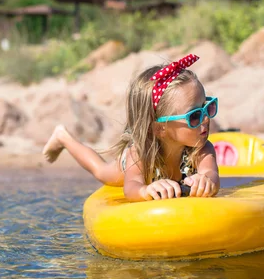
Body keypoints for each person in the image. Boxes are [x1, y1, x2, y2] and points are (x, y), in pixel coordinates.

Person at [42, 54, 220, 202]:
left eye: (208, 106)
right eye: (195, 115)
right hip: (139, 156)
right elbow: (132, 187)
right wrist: (145, 191)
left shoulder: (202, 149)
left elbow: (211, 174)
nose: (206, 118)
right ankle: (63, 137)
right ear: (160, 129)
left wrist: (205, 181)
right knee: (102, 171)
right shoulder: (139, 154)